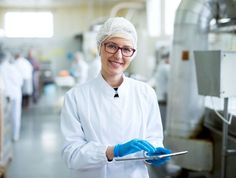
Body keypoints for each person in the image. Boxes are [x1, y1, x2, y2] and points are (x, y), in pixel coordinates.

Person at [60, 17, 171, 178]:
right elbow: (71, 155)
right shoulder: (76, 97)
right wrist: (112, 151)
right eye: (112, 46)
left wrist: (153, 153)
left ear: (133, 53)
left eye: (126, 49)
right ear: (99, 47)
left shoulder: (146, 93)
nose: (118, 55)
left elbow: (153, 139)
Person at [0, 51, 23, 141]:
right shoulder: (12, 68)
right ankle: (15, 136)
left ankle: (5, 137)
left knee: (4, 117)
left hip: (4, 96)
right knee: (15, 115)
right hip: (15, 95)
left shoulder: (0, 68)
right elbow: (19, 81)